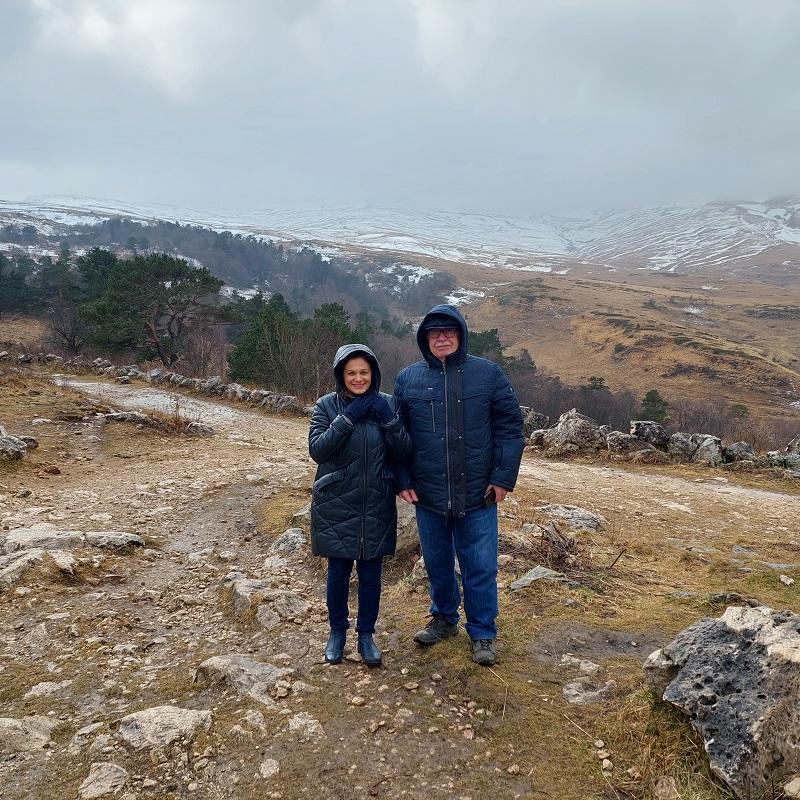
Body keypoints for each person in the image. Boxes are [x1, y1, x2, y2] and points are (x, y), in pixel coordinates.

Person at [394, 304, 525, 666]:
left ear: (461, 334)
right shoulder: (408, 379)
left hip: (479, 493)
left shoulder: (488, 374)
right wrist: (402, 479)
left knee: (480, 566)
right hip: (428, 494)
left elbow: (510, 429)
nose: (442, 337)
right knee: (437, 563)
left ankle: (482, 632)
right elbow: (398, 436)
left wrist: (502, 478)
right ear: (424, 338)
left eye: (448, 330)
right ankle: (444, 619)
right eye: (434, 332)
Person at [309, 344, 412, 667]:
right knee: (338, 572)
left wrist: (390, 421)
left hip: (376, 501)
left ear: (373, 373)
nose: (358, 378)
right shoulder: (326, 406)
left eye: (364, 372)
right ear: (341, 374)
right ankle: (337, 633)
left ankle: (366, 635)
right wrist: (348, 418)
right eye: (351, 373)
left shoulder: (388, 404)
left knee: (371, 575)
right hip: (336, 501)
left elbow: (405, 451)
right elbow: (318, 451)